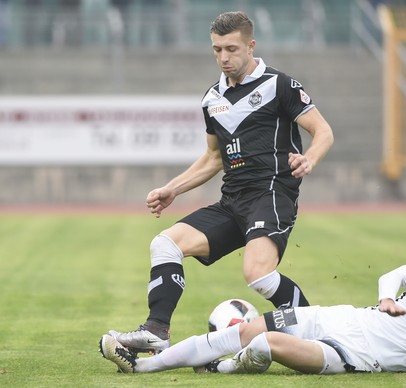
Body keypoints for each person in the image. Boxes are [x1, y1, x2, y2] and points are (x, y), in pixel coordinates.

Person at [106, 11, 334, 355]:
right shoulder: (211, 99)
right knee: (164, 244)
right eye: (217, 50)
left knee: (257, 274)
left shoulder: (280, 84)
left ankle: (316, 331)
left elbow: (323, 131)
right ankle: (157, 330)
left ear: (250, 45)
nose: (224, 58)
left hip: (271, 193)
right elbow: (214, 158)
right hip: (232, 201)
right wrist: (173, 189)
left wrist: (310, 158)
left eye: (231, 49)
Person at [100, 242, 406, 375]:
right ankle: (144, 365)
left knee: (267, 344)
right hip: (344, 317)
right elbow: (396, 277)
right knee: (248, 329)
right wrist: (388, 298)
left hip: (360, 357)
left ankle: (228, 369)